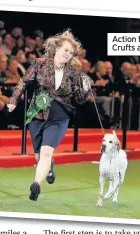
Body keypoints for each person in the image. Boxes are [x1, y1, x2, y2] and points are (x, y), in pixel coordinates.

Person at [7, 29, 90, 201]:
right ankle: (49, 168)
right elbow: (23, 82)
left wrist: (86, 88)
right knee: (39, 155)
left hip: (59, 116)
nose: (68, 54)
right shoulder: (39, 63)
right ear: (57, 47)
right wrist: (13, 99)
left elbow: (79, 99)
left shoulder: (73, 73)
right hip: (38, 113)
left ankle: (36, 185)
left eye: (71, 52)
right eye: (66, 50)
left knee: (45, 153)